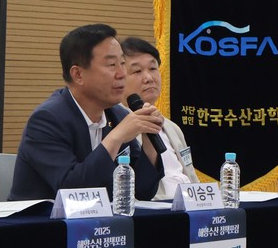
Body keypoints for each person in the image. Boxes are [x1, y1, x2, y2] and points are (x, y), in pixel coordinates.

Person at [9, 23, 164, 201]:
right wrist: (117, 137)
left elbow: (142, 191)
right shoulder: (47, 120)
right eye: (112, 65)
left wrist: (149, 139)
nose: (122, 74)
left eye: (122, 63)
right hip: (43, 218)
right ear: (78, 75)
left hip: (101, 218)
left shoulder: (117, 115)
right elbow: (74, 191)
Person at [121, 37, 199, 199]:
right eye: (137, 71)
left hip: (191, 205)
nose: (149, 78)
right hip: (155, 208)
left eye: (153, 68)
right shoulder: (116, 125)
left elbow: (190, 174)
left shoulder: (172, 127)